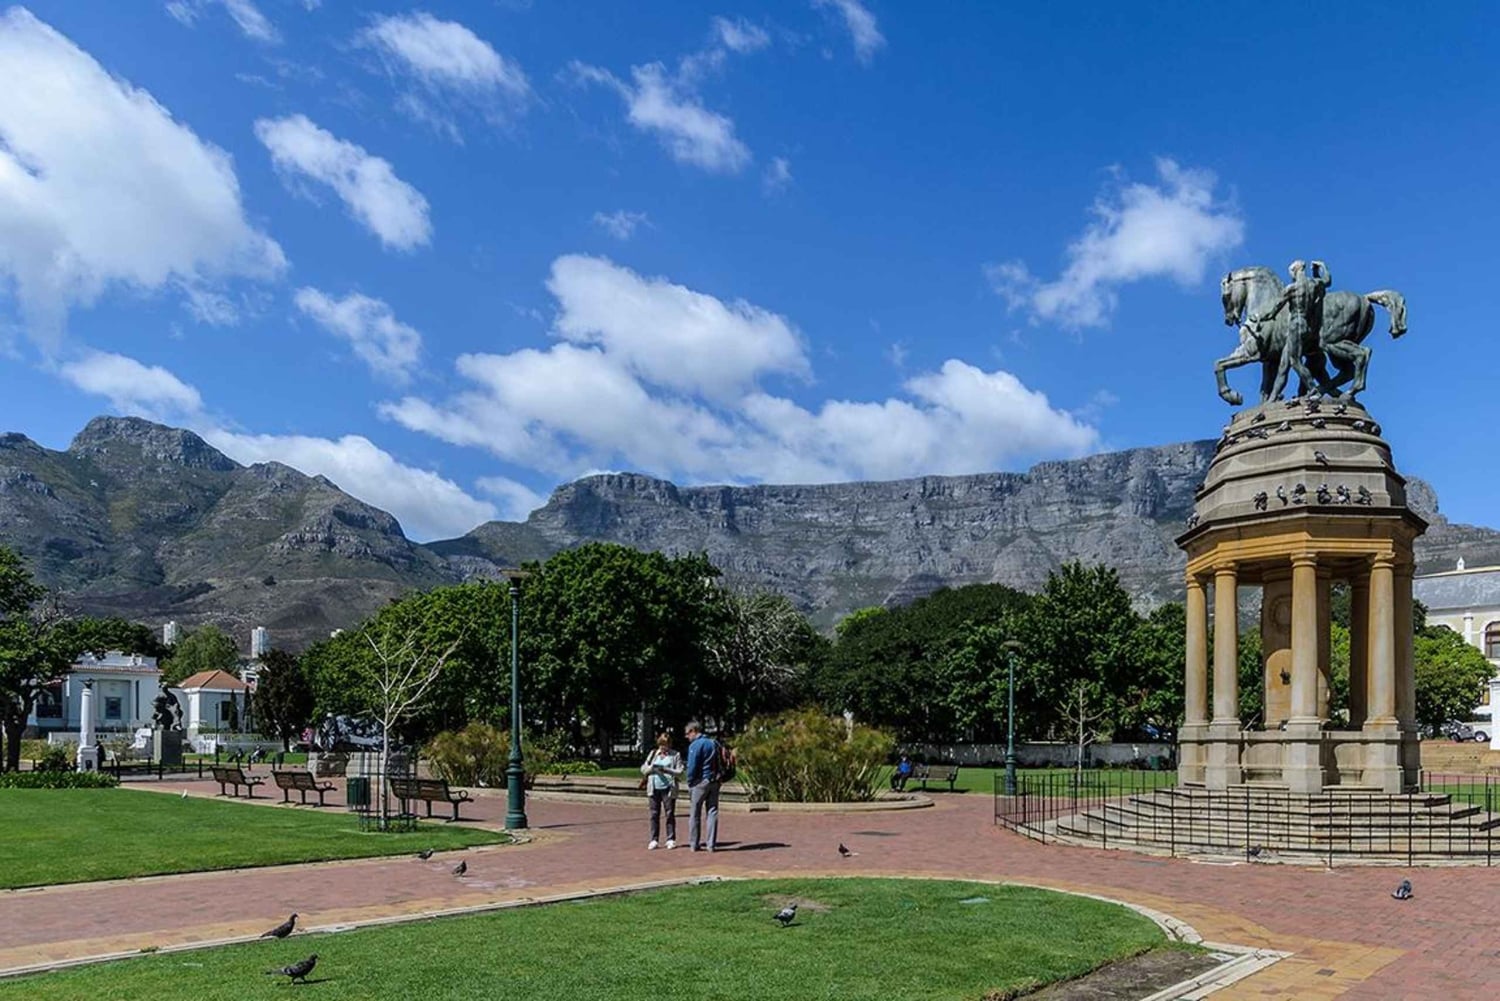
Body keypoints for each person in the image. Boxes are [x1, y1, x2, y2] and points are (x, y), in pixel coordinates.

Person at [640, 732, 682, 850]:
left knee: (669, 813)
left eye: (666, 745)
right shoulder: (653, 754)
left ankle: (671, 838)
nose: (663, 748)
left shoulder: (675, 755)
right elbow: (643, 769)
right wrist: (651, 768)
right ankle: (654, 839)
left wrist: (666, 769)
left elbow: (680, 771)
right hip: (654, 788)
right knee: (654, 814)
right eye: (661, 745)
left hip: (668, 788)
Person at [684, 720, 721, 852]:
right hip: (714, 781)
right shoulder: (714, 743)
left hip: (700, 782)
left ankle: (694, 843)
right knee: (712, 812)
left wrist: (690, 781)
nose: (687, 737)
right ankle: (711, 844)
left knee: (695, 813)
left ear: (693, 731)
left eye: (687, 734)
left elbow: (692, 767)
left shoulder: (696, 745)